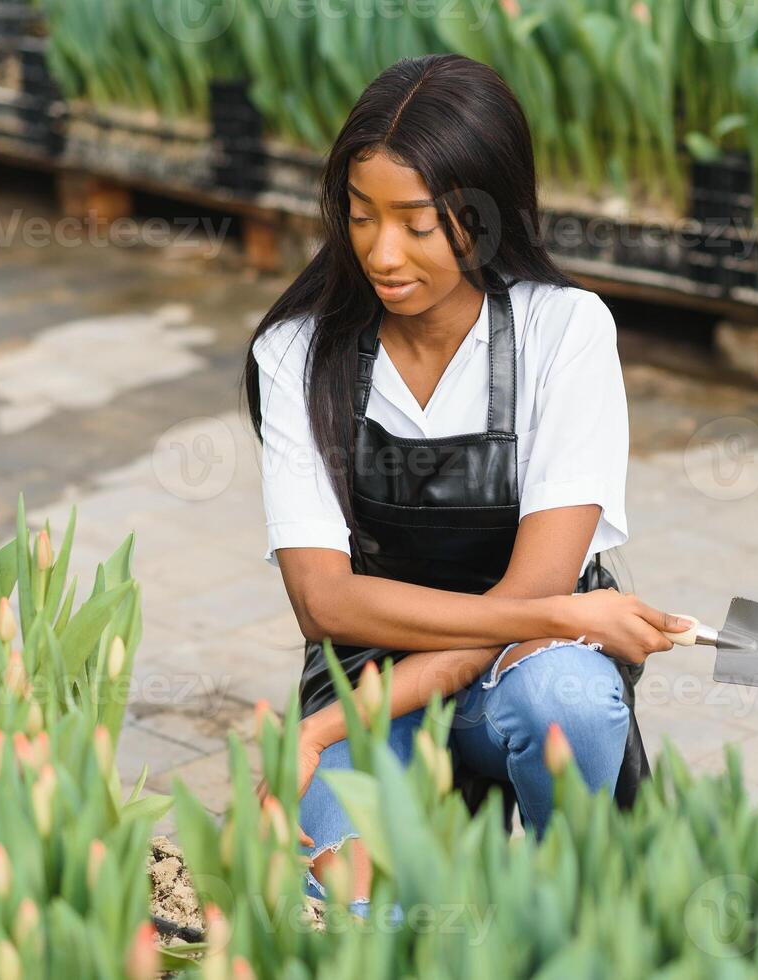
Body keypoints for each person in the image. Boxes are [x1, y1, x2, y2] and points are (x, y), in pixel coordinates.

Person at [241, 53, 691, 913]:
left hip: (518, 675)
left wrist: (320, 732)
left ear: (482, 214)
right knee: (359, 917)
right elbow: (327, 605)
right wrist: (564, 612)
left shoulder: (565, 333)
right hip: (368, 678)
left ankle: (579, 911)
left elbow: (533, 592)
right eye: (361, 216)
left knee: (573, 695)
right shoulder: (299, 353)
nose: (381, 251)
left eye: (417, 223)